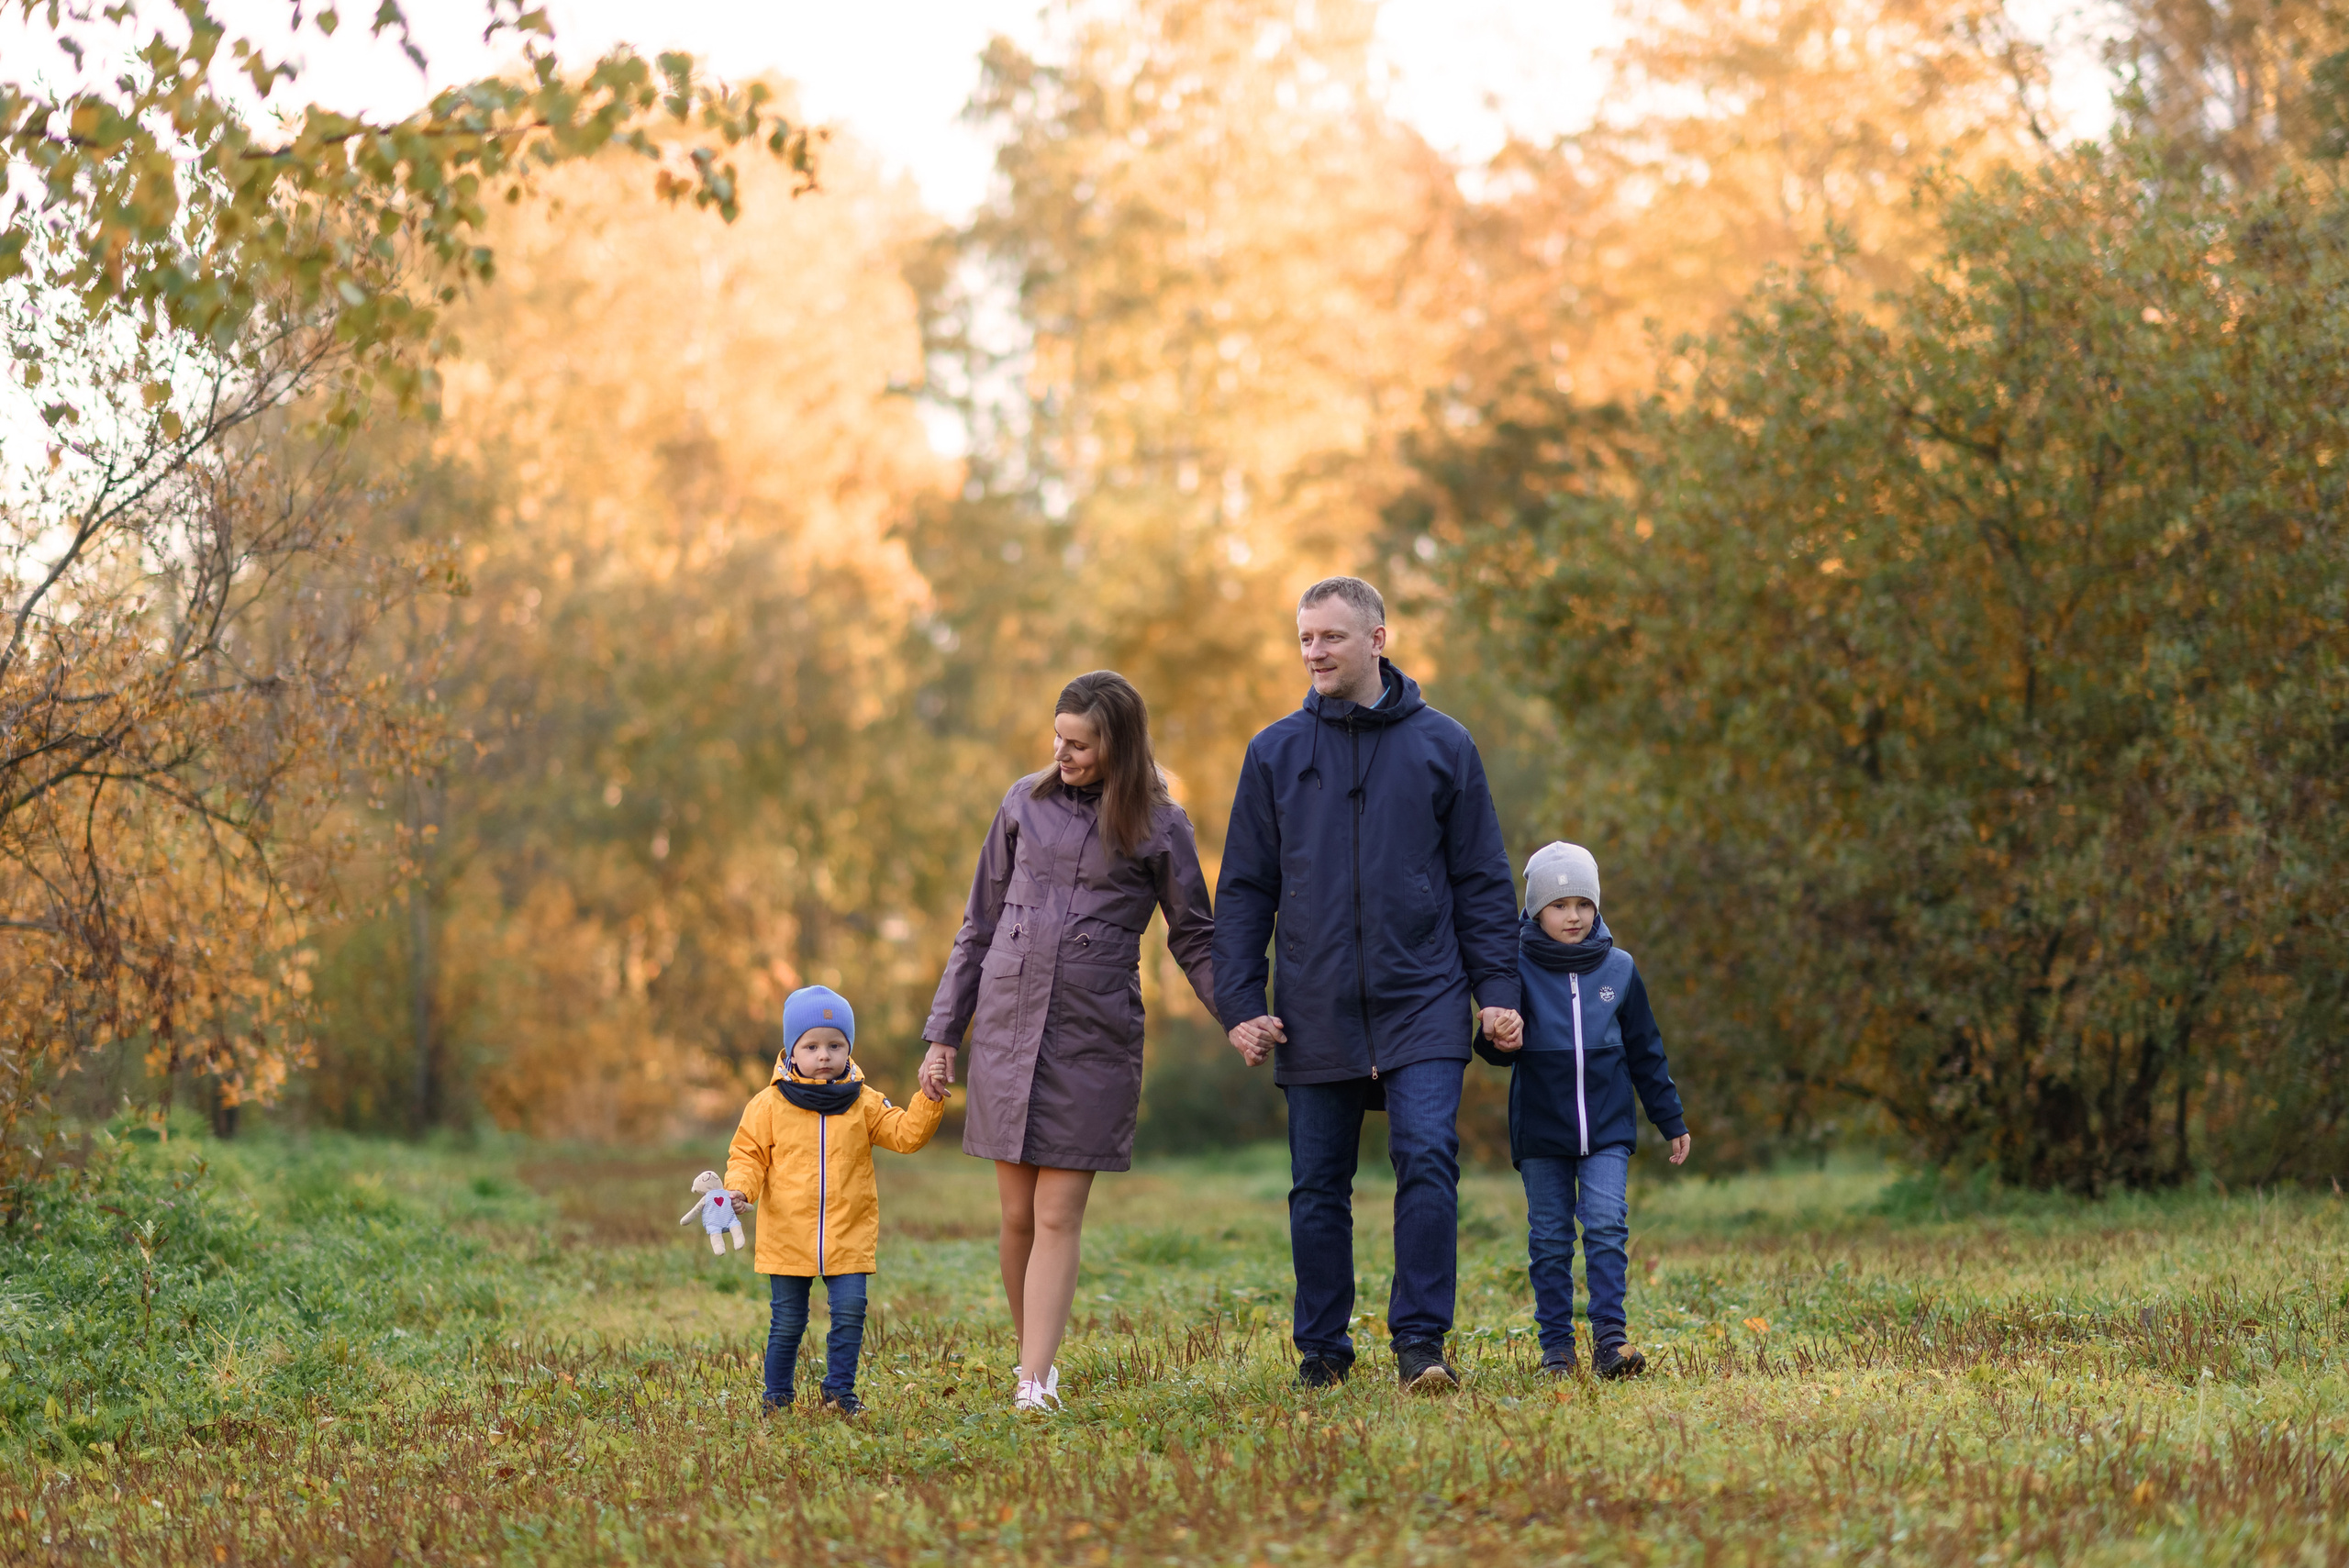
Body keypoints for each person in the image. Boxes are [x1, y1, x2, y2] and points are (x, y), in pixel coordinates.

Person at [1213, 576, 1524, 1394]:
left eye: (1330, 637)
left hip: (1423, 993)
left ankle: (1421, 1343)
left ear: (1377, 639)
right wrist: (1242, 1003)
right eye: (1304, 638)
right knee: (1318, 1184)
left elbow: (1483, 880)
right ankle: (1322, 1352)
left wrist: (1498, 989)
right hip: (1313, 1003)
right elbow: (1244, 889)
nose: (1313, 651)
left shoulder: (1444, 745)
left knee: (1427, 1156)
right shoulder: (1274, 751)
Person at [919, 671, 1218, 1413]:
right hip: (1007, 1030)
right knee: (1016, 1216)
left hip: (1092, 1038)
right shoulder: (1024, 800)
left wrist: (1241, 1013)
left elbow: (1197, 936)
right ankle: (1033, 1366)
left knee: (1056, 1214)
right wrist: (941, 1036)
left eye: (1080, 743)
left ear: (1118, 743)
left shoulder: (1161, 824)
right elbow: (977, 925)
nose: (1064, 754)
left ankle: (1034, 1380)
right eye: (1058, 738)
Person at [1476, 841, 1690, 1379]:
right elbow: (1492, 1047)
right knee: (1550, 1238)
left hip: (1607, 1129)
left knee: (1605, 1226)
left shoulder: (1620, 968)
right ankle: (1556, 1350)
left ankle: (1610, 1343)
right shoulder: (1513, 968)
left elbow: (1646, 1050)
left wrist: (1669, 1119)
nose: (1572, 916)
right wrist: (1498, 1037)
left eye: (1583, 904)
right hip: (1541, 1129)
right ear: (1534, 910)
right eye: (1558, 905)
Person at [724, 984, 944, 1417]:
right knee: (787, 1322)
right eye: (811, 1045)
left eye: (835, 1045)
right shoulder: (767, 1105)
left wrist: (929, 1099)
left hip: (848, 1234)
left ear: (848, 1049)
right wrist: (740, 1190)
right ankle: (777, 1398)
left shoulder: (863, 1103)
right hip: (788, 1236)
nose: (823, 1055)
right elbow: (747, 1155)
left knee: (850, 1313)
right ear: (791, 1049)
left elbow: (905, 1135)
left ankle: (839, 1391)